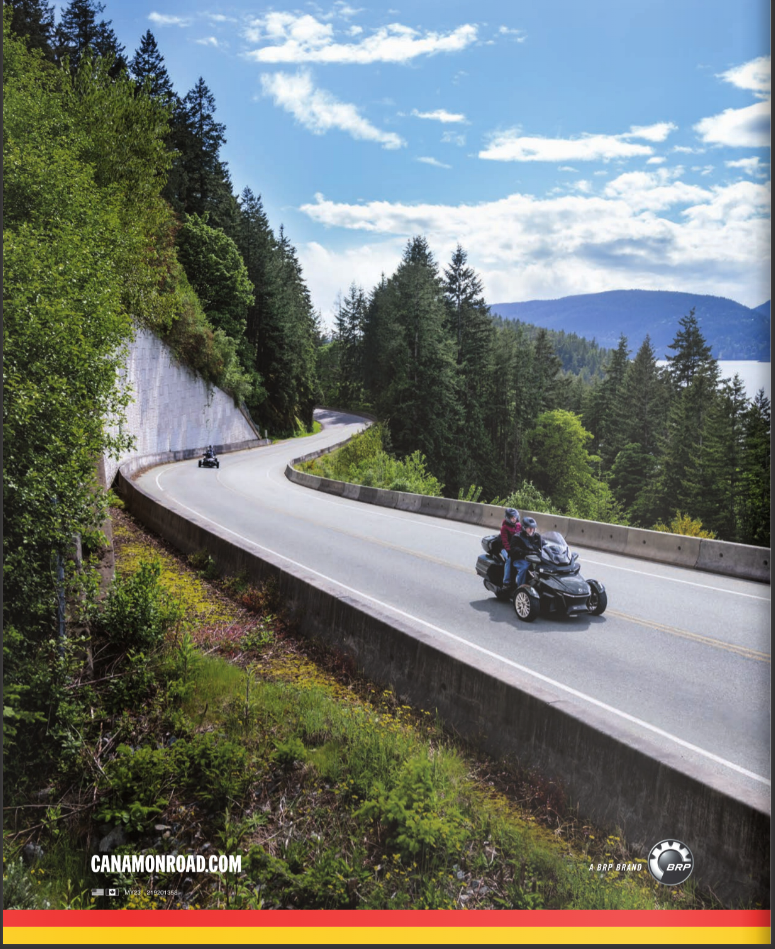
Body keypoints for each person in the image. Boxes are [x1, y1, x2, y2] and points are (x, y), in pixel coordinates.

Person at [510, 516, 542, 588]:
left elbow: (544, 545)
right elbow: (514, 549)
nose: (532, 530)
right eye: (529, 528)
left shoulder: (537, 536)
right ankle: (520, 587)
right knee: (524, 568)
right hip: (521, 559)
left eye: (533, 528)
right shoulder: (517, 537)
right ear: (524, 528)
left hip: (535, 559)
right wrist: (526, 552)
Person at [500, 508, 520, 586]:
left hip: (515, 547)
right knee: (509, 559)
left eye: (515, 517)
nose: (514, 519)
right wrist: (509, 551)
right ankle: (506, 581)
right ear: (508, 518)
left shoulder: (518, 525)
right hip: (505, 548)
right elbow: (505, 541)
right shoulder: (504, 528)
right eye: (512, 518)